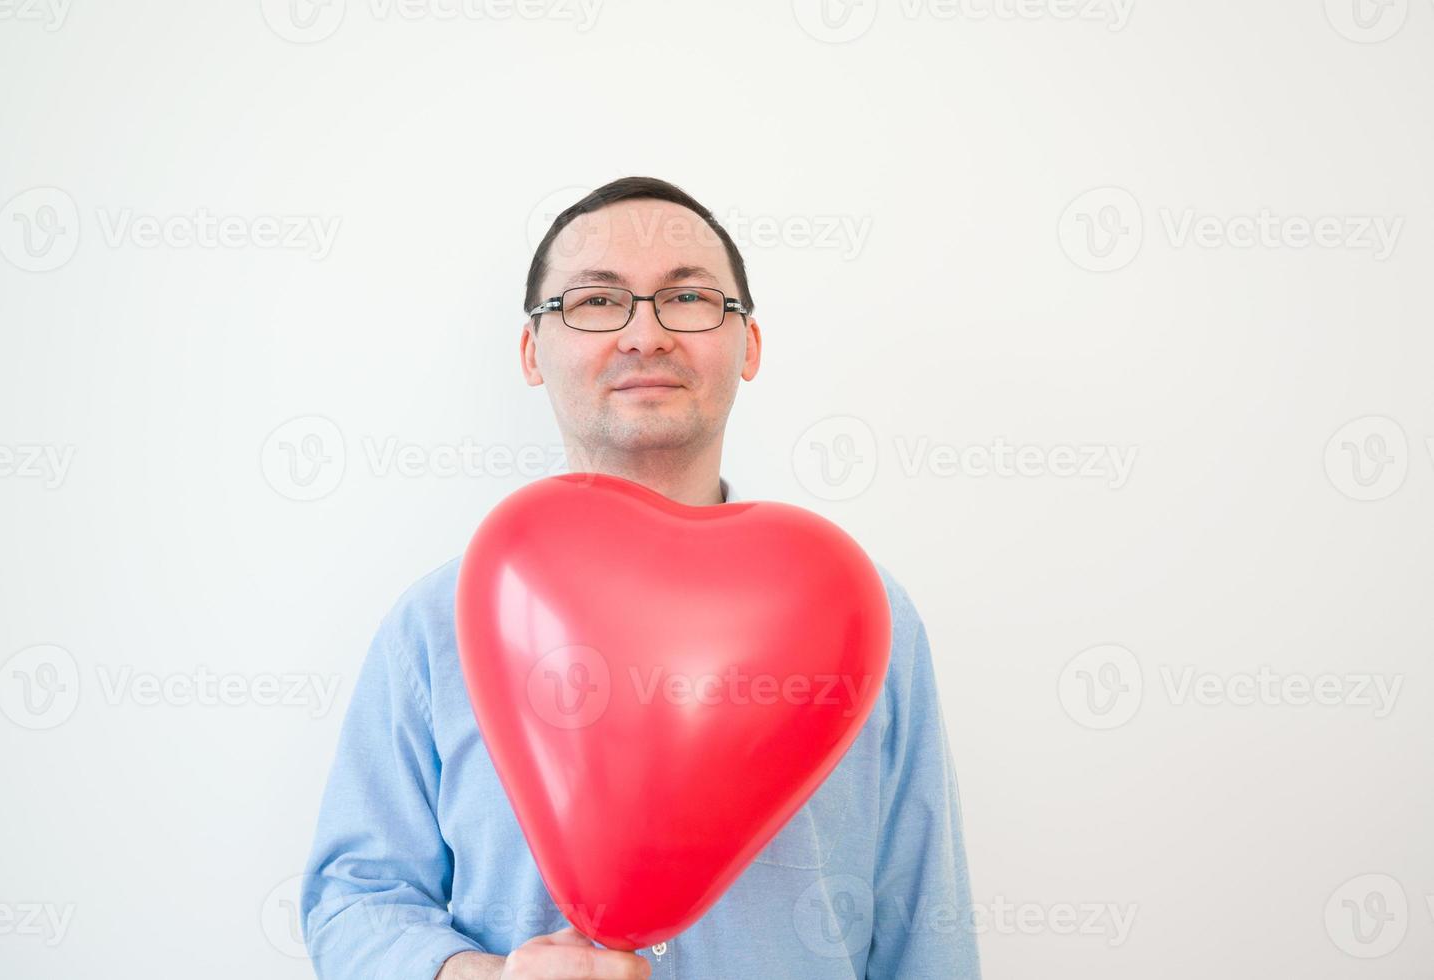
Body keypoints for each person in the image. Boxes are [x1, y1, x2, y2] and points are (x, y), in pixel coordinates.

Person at [300, 177, 980, 979]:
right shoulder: (434, 623)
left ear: (748, 344)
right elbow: (353, 896)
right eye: (595, 302)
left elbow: (921, 918)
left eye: (688, 298)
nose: (644, 334)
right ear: (531, 351)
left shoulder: (860, 614)